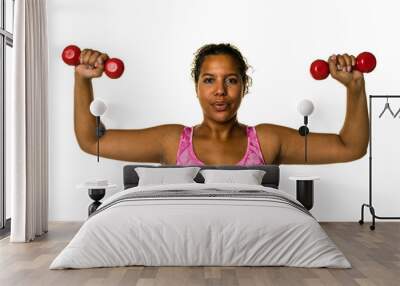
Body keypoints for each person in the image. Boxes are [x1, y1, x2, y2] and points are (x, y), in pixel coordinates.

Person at [74, 43, 369, 166]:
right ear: (196, 87)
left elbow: (350, 148)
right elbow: (91, 142)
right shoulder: (171, 141)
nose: (220, 92)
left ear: (244, 86)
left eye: (230, 80)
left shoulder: (267, 140)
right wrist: (83, 80)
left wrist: (355, 87)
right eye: (208, 80)